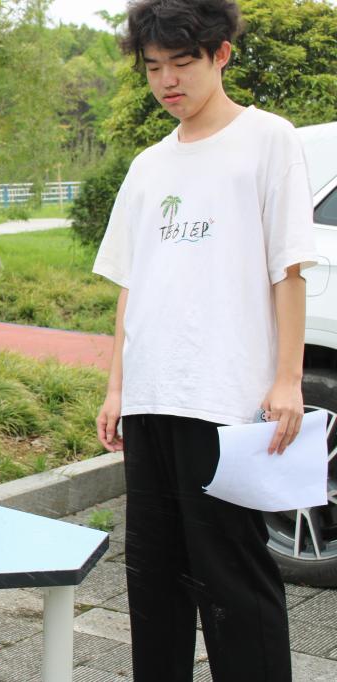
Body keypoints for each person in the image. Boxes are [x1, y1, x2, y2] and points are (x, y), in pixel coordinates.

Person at [92, 1, 316, 680]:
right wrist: (117, 387)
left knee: (233, 578)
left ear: (221, 54)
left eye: (182, 63)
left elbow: (289, 270)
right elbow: (132, 284)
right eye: (153, 67)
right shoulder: (148, 166)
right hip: (152, 394)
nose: (167, 81)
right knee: (153, 577)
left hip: (225, 397)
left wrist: (288, 379)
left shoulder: (268, 140)